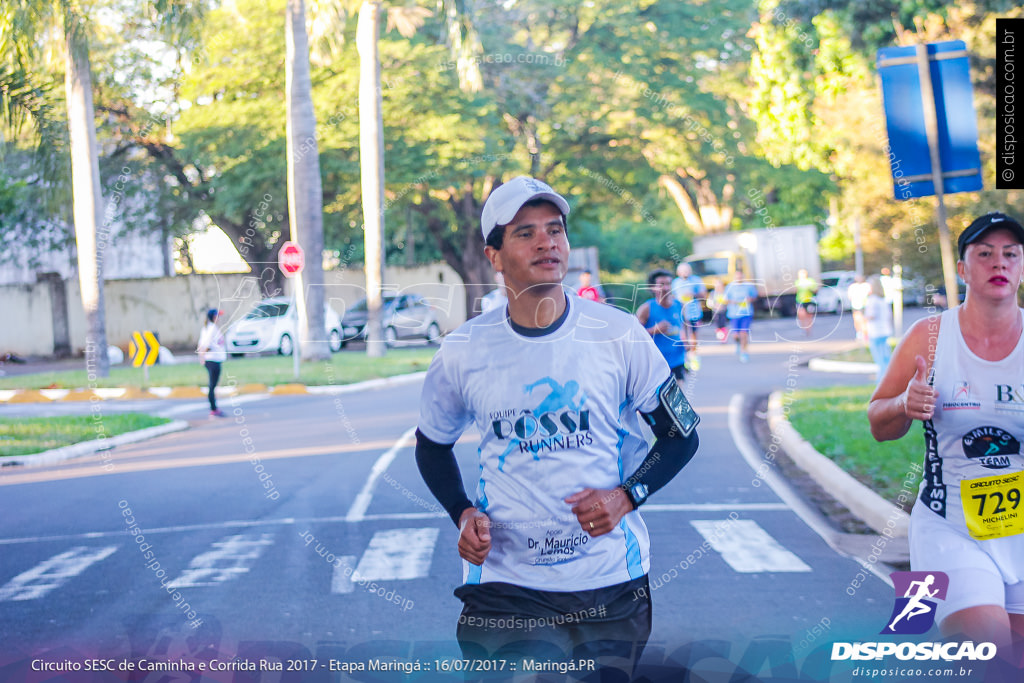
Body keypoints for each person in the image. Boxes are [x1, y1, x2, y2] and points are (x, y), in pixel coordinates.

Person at [415, 176, 700, 675]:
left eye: (555, 230)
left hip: (610, 581)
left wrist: (627, 495)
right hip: (506, 585)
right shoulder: (463, 351)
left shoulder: (618, 335)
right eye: (525, 233)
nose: (547, 241)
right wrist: (462, 513)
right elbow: (432, 446)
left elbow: (681, 436)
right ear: (495, 256)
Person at [868, 211, 1024, 658]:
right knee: (985, 653)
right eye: (985, 254)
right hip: (950, 525)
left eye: (1010, 255)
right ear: (962, 269)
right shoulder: (929, 337)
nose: (1000, 264)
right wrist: (904, 404)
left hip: (1020, 528)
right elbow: (879, 422)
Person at [637, 269, 687, 382]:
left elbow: (684, 327)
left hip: (677, 360)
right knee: (659, 398)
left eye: (668, 284)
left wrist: (688, 341)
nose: (666, 288)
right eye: (661, 285)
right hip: (656, 363)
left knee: (678, 397)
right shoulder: (646, 308)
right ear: (653, 288)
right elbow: (634, 336)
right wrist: (654, 330)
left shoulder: (679, 305)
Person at [671, 262, 707, 370]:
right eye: (683, 270)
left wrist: (693, 294)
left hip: (693, 312)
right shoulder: (675, 282)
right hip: (680, 313)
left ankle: (694, 356)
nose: (685, 273)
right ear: (678, 272)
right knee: (682, 335)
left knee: (693, 335)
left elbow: (703, 294)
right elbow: (672, 296)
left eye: (687, 270)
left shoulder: (696, 280)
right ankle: (685, 359)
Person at [197, 308, 226, 418]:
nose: (219, 318)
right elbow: (206, 345)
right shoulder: (211, 328)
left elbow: (201, 344)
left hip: (212, 359)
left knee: (213, 385)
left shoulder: (206, 328)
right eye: (218, 316)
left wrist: (201, 357)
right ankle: (214, 409)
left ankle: (214, 407)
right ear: (214, 317)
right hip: (213, 359)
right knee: (212, 385)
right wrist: (203, 356)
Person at [725, 267, 758, 363]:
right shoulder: (730, 287)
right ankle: (738, 344)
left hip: (746, 313)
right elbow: (725, 299)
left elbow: (754, 296)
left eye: (740, 276)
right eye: (737, 276)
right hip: (734, 314)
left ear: (743, 276)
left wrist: (749, 299)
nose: (739, 278)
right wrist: (733, 302)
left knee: (744, 333)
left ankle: (744, 352)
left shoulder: (748, 286)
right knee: (735, 335)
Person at [863, 275, 893, 377]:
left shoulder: (872, 300)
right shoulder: (883, 300)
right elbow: (889, 315)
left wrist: (864, 316)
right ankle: (888, 377)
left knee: (879, 359)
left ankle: (882, 379)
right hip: (885, 330)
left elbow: (871, 316)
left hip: (875, 332)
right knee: (886, 357)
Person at [794, 268, 818, 336]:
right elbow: (795, 291)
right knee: (801, 315)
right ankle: (804, 327)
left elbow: (815, 290)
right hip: (800, 300)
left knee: (809, 316)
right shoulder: (797, 282)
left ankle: (809, 329)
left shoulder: (810, 281)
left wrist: (811, 289)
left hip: (809, 301)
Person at [848, 274, 871, 344]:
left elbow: (870, 294)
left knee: (864, 320)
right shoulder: (853, 287)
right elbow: (850, 296)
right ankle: (859, 333)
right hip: (856, 305)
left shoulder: (866, 285)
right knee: (857, 320)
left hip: (864, 305)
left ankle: (865, 335)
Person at [709, 277, 728, 341]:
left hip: (723, 311)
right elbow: (709, 303)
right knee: (717, 326)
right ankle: (720, 337)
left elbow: (727, 301)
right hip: (715, 312)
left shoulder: (725, 293)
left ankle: (724, 338)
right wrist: (715, 306)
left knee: (723, 325)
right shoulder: (713, 293)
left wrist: (724, 305)